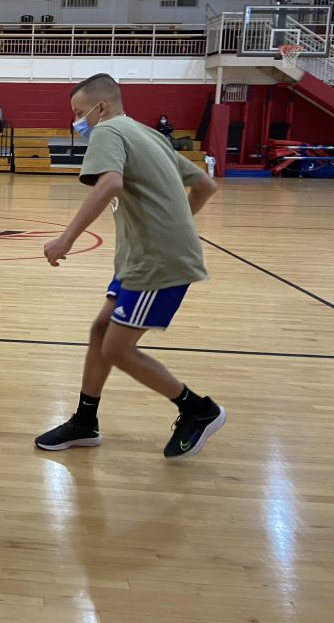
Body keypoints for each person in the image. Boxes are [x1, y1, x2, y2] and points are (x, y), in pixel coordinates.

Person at [37, 73, 224, 461]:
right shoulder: (148, 134)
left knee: (117, 349)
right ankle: (85, 422)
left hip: (157, 261)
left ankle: (197, 409)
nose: (78, 120)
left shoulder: (107, 131)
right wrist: (178, 225)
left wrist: (66, 239)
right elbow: (206, 184)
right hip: (141, 255)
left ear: (100, 107)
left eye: (79, 112)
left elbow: (109, 185)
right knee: (101, 330)